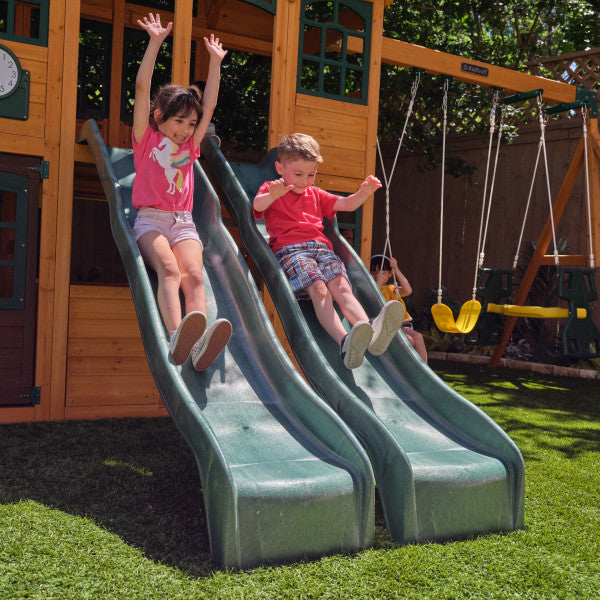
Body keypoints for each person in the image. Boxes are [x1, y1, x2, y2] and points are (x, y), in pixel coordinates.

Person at [253, 133, 405, 369]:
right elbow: (257, 206)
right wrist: (272, 195)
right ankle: (344, 341)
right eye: (299, 174)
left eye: (311, 175)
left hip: (322, 248)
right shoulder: (274, 189)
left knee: (342, 287)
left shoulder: (315, 193)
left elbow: (345, 204)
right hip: (291, 251)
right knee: (320, 289)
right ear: (279, 168)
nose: (305, 181)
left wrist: (363, 193)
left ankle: (371, 332)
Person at [131, 12, 231, 371]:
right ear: (159, 117)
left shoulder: (191, 148)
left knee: (195, 275)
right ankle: (177, 337)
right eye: (179, 121)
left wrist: (215, 64)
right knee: (170, 271)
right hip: (151, 221)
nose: (187, 129)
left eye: (191, 123)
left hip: (183, 222)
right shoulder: (147, 139)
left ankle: (201, 343)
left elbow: (211, 106)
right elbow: (143, 89)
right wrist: (155, 42)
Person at [370, 254, 428, 363]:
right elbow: (374, 297)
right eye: (373, 273)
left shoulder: (391, 288)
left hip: (401, 324)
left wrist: (396, 269)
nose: (378, 276)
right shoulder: (372, 288)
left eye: (382, 273)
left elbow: (407, 290)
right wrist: (378, 281)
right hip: (385, 326)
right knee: (409, 340)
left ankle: (424, 369)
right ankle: (406, 367)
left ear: (390, 274)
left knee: (418, 337)